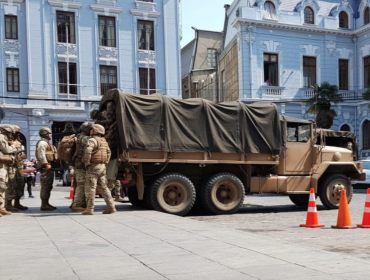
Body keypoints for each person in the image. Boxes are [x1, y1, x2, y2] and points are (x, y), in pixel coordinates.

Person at [82, 124, 115, 215]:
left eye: (92, 129)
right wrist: (105, 162)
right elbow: (108, 152)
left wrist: (87, 162)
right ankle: (111, 206)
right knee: (104, 187)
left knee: (90, 188)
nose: (91, 130)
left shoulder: (92, 140)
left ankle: (90, 209)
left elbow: (88, 151)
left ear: (96, 131)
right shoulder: (104, 141)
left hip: (93, 167)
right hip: (102, 166)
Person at [5, 125, 28, 211]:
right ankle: (8, 204)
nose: (18, 135)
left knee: (20, 185)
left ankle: (17, 203)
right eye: (17, 133)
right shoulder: (7, 142)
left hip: (19, 167)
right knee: (11, 185)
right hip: (11, 167)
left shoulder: (18, 142)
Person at [70, 122, 92, 212]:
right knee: (82, 184)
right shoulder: (86, 138)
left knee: (78, 184)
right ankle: (77, 204)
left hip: (78, 163)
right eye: (90, 128)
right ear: (85, 129)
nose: (92, 130)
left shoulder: (79, 136)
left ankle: (77, 203)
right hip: (82, 164)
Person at [35, 127, 58, 211]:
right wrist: (46, 164)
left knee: (48, 186)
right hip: (45, 167)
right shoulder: (42, 143)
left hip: (47, 166)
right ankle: (44, 204)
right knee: (45, 186)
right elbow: (41, 154)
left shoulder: (47, 143)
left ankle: (46, 203)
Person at [0, 124, 18, 216]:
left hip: (3, 165)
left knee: (2, 186)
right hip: (0, 166)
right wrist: (14, 146)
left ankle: (0, 207)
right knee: (1, 185)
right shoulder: (2, 137)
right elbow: (6, 150)